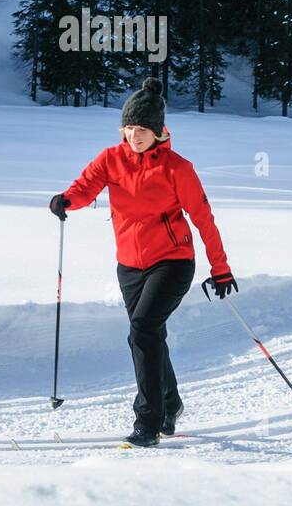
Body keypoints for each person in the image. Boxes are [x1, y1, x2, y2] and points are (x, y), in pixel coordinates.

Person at [49, 77, 237, 447]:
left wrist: (221, 267)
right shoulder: (111, 158)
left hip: (172, 261)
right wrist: (66, 200)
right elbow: (86, 186)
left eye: (141, 130)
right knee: (150, 334)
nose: (134, 137)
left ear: (158, 131)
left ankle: (147, 423)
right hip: (129, 264)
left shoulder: (177, 168)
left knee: (142, 330)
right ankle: (170, 402)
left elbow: (203, 218)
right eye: (129, 128)